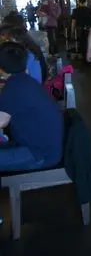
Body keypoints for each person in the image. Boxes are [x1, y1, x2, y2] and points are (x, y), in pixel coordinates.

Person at [0, 42, 64, 172]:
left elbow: (1, 122)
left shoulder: (12, 88)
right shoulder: (28, 81)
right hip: (47, 148)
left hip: (39, 155)